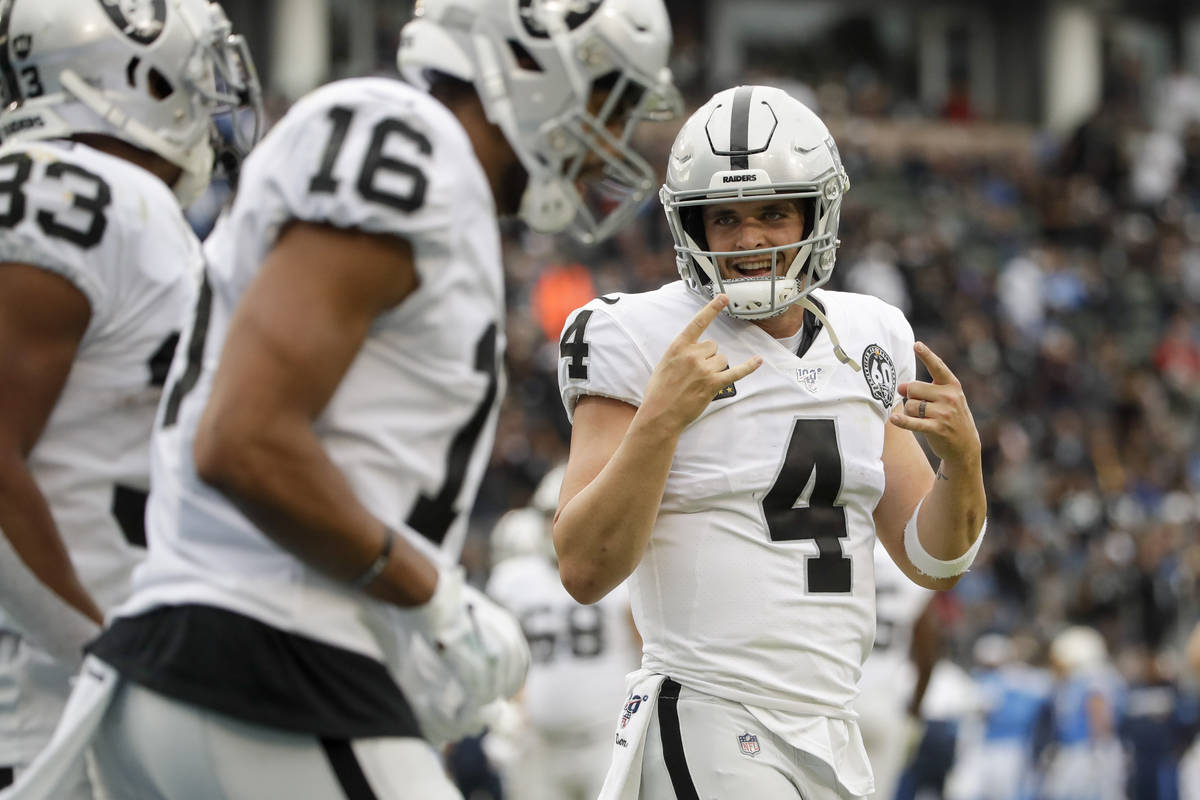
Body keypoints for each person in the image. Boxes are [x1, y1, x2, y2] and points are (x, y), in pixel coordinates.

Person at [43, 1, 677, 799]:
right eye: (606, 98)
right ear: (527, 59)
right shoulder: (408, 144)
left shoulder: (432, 172)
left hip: (236, 659)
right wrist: (431, 598)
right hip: (268, 654)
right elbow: (245, 441)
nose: (612, 137)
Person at [553, 85, 988, 799]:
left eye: (773, 212)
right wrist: (661, 420)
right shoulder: (635, 334)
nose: (751, 238)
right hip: (708, 710)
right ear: (689, 226)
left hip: (831, 725)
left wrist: (964, 464)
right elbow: (582, 567)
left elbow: (931, 560)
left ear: (818, 213)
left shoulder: (869, 333)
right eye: (724, 218)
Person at [0, 1, 261, 796]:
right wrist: (104, 653)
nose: (210, 91)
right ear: (132, 72)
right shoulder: (74, 190)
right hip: (48, 713)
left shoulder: (137, 211)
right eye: (194, 67)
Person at [485, 467, 641, 800]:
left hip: (608, 736)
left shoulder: (621, 573)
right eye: (550, 514)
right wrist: (509, 707)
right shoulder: (514, 579)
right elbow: (502, 658)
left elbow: (645, 651)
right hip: (539, 740)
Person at [853, 540, 938, 800]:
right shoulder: (909, 564)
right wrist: (914, 713)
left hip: (837, 693)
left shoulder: (848, 547)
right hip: (883, 704)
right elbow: (927, 655)